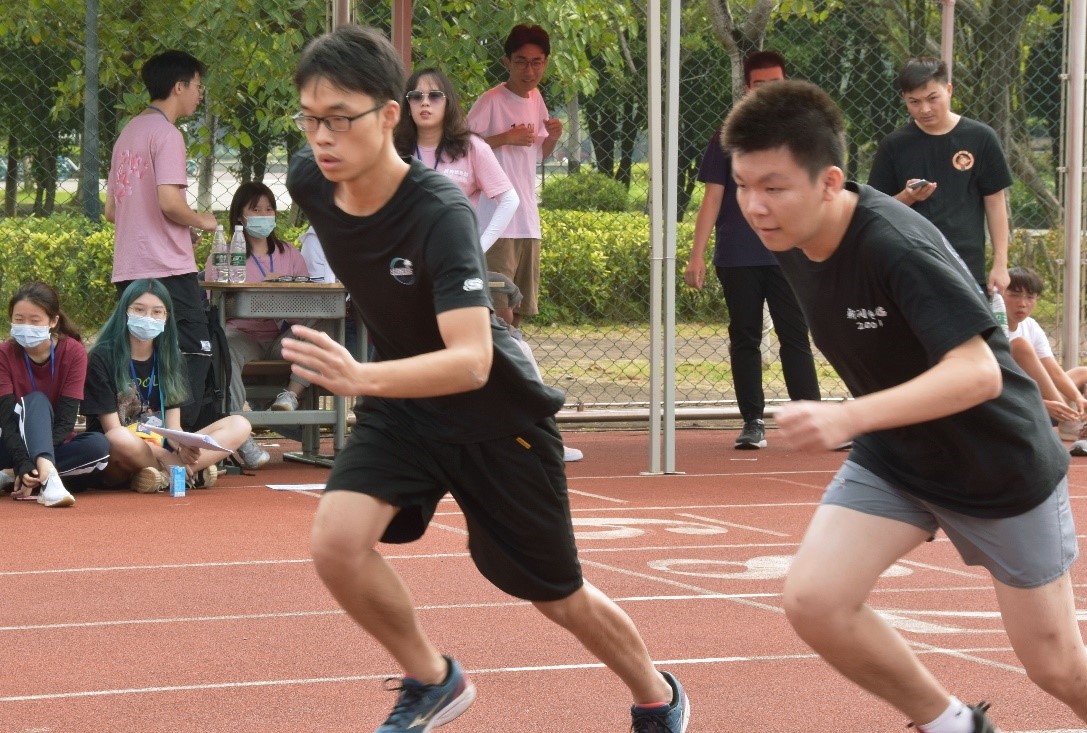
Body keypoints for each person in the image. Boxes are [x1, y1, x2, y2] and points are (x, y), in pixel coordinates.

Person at [283, 25, 688, 733]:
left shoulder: (438, 211)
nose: (322, 136)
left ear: (388, 115)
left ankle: (658, 696)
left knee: (556, 595)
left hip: (495, 416)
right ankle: (433, 678)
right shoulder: (308, 181)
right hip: (405, 408)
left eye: (339, 118)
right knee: (336, 543)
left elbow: (471, 359)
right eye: (310, 118)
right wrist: (372, 380)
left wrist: (358, 375)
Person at [723, 78, 1087, 733]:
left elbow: (978, 373)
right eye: (743, 184)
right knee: (815, 600)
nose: (754, 206)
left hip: (997, 465)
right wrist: (866, 422)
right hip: (897, 456)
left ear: (830, 182)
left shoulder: (893, 244)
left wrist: (846, 416)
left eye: (773, 187)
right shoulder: (789, 235)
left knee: (1058, 667)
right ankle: (955, 726)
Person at [394, 66, 583, 463]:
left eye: (434, 95)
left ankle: (543, 436)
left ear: (448, 102)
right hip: (407, 274)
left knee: (505, 345)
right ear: (405, 104)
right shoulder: (394, 152)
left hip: (456, 273)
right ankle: (413, 443)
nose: (425, 103)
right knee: (407, 352)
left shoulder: (470, 148)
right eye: (416, 96)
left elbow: (508, 199)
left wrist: (476, 247)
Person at [684, 50, 821, 449]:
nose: (767, 91)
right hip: (738, 253)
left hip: (790, 253)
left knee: (795, 335)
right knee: (745, 336)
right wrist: (696, 254)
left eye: (775, 84)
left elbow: (816, 193)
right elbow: (712, 197)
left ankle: (812, 418)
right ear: (747, 88)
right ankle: (752, 422)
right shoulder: (727, 138)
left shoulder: (802, 136)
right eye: (760, 85)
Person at [104, 50, 219, 433]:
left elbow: (112, 210)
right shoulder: (167, 134)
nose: (200, 94)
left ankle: (138, 434)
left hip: (129, 267)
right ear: (179, 86)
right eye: (198, 86)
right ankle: (178, 438)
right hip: (167, 268)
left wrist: (170, 226)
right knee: (196, 350)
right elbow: (170, 203)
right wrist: (202, 220)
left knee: (140, 354)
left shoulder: (128, 133)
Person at [82, 279, 252, 493]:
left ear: (166, 317)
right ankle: (184, 472)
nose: (148, 318)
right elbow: (112, 430)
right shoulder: (102, 357)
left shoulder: (172, 357)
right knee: (119, 438)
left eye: (157, 312)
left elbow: (173, 427)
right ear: (124, 312)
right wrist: (165, 455)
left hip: (160, 443)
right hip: (122, 454)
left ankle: (161, 477)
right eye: (139, 310)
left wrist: (181, 446)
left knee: (240, 424)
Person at [868, 57, 1013, 295]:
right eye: (914, 102)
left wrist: (1000, 264)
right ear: (904, 98)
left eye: (932, 98)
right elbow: (876, 209)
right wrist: (907, 197)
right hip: (910, 264)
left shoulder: (981, 137)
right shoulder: (893, 145)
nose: (924, 109)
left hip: (966, 265)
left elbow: (995, 201)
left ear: (949, 90)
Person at [204, 182, 312, 469]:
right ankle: (240, 437)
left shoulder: (290, 253)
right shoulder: (224, 255)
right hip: (243, 335)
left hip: (280, 337)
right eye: (256, 209)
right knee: (224, 347)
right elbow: (214, 304)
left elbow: (307, 301)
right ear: (240, 216)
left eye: (269, 209)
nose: (264, 215)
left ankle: (291, 394)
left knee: (318, 331)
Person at [467, 24, 563, 327]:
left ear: (545, 63)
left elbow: (537, 154)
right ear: (507, 61)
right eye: (521, 61)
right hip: (494, 218)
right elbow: (461, 149)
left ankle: (511, 356)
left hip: (527, 220)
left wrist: (553, 138)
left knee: (519, 307)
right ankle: (500, 356)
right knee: (498, 306)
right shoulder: (490, 101)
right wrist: (504, 138)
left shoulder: (536, 99)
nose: (529, 70)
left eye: (536, 62)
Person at [0, 283, 110, 507]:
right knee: (36, 401)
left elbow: (66, 422)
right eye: (19, 319)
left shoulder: (74, 352)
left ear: (53, 321)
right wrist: (22, 459)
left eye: (34, 320)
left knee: (98, 447)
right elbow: (7, 420)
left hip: (54, 440)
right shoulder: (4, 353)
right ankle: (48, 478)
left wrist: (30, 463)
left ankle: (18, 476)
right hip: (11, 443)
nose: (26, 326)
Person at [1000, 266, 1087, 451]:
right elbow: (997, 386)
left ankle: (1073, 420)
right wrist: (1041, 404)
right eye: (1014, 295)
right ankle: (1071, 422)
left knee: (1082, 372)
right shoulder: (991, 327)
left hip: (1046, 401)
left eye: (1030, 297)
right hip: (1014, 403)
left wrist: (1078, 397)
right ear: (1000, 295)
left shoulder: (1030, 325)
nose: (1022, 303)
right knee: (1020, 345)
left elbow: (1054, 372)